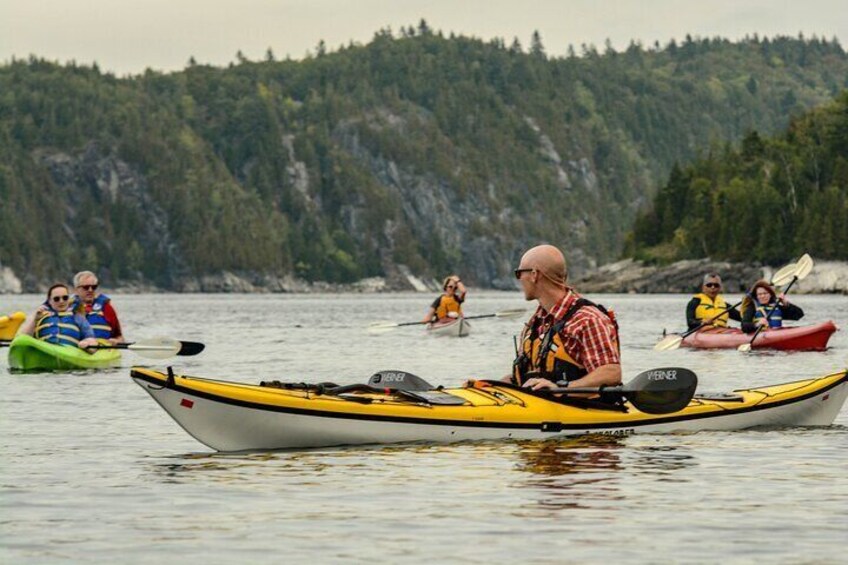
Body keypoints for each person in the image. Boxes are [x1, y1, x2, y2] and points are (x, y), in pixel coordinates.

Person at [510, 244, 622, 391]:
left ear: (534, 275)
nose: (519, 279)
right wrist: (484, 387)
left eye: (519, 273)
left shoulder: (588, 319)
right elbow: (521, 379)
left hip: (582, 409)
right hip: (540, 407)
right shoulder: (536, 322)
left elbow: (611, 374)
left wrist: (560, 388)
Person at [18, 283, 99, 349]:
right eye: (57, 299)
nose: (61, 301)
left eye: (65, 298)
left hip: (68, 352)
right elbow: (23, 338)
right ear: (49, 301)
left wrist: (87, 343)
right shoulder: (40, 316)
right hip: (44, 350)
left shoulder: (78, 318)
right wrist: (34, 321)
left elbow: (91, 339)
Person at [72, 270, 125, 344]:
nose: (90, 290)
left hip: (101, 349)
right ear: (76, 289)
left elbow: (119, 337)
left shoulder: (106, 308)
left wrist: (116, 341)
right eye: (86, 287)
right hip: (74, 348)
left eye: (93, 287)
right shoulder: (67, 306)